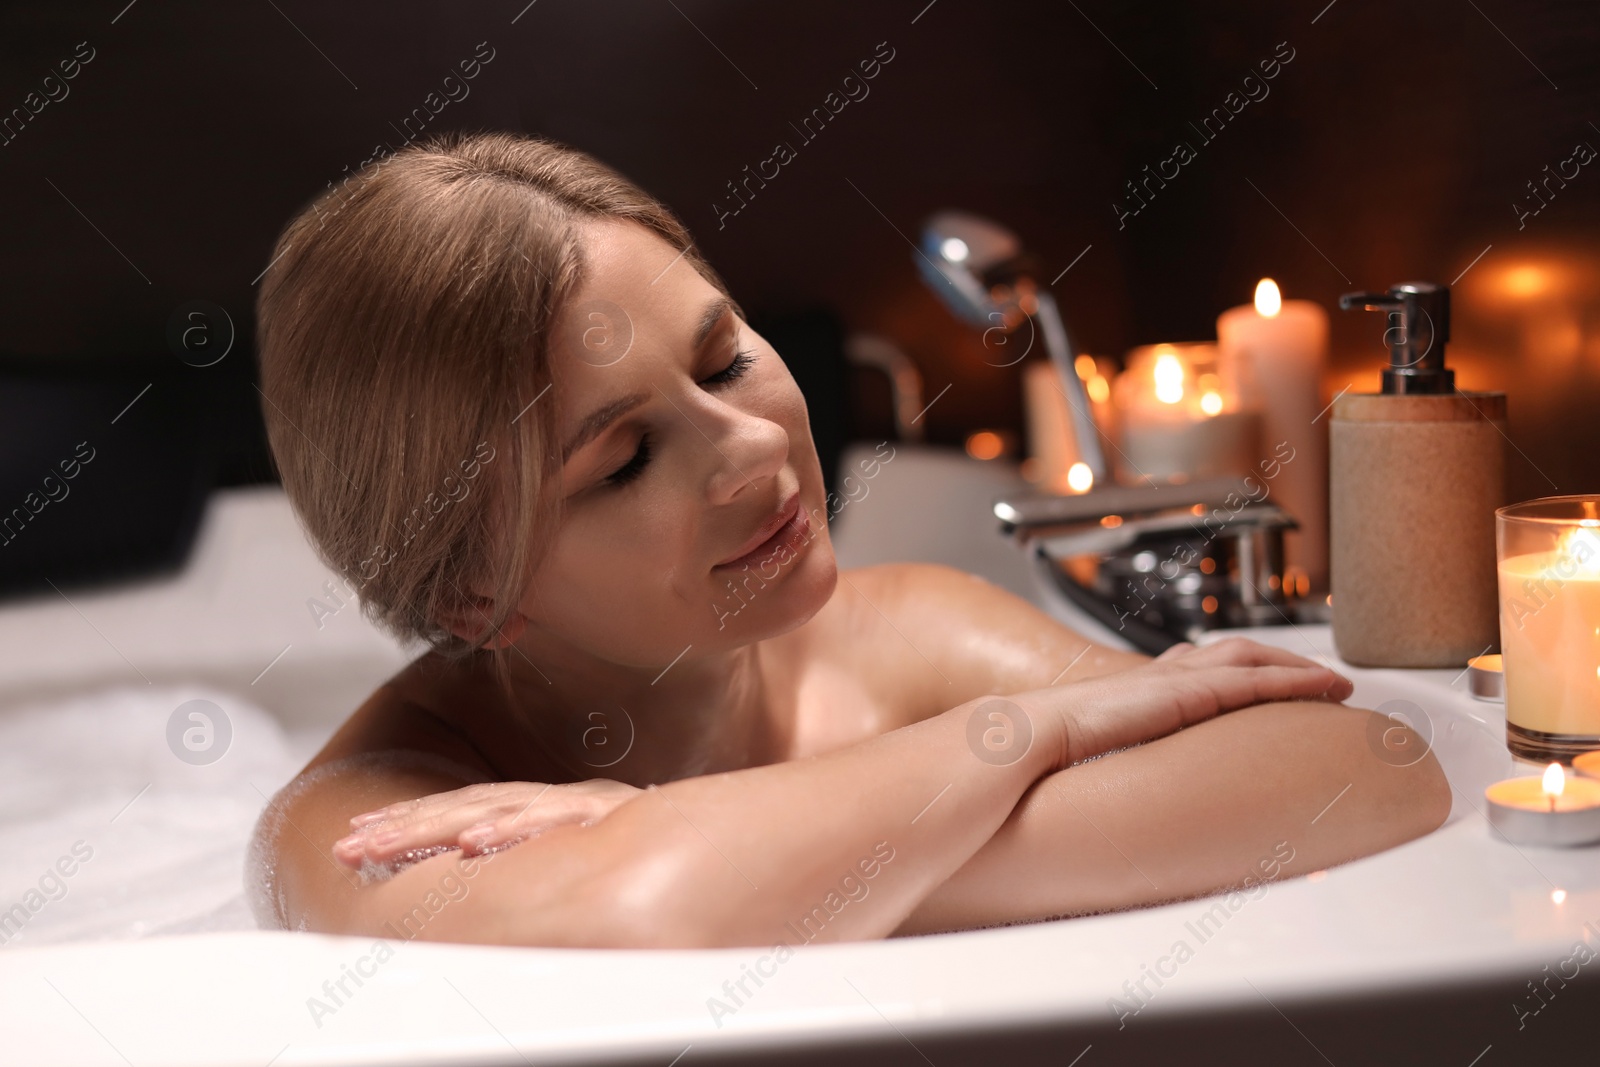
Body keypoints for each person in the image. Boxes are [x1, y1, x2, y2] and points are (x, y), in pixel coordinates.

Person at [246, 131, 1450, 948]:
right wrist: (1028, 742)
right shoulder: (366, 818)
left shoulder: (901, 632)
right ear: (468, 594)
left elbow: (1366, 762)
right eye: (623, 461)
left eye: (724, 358)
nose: (754, 450)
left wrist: (771, 858)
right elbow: (649, 915)